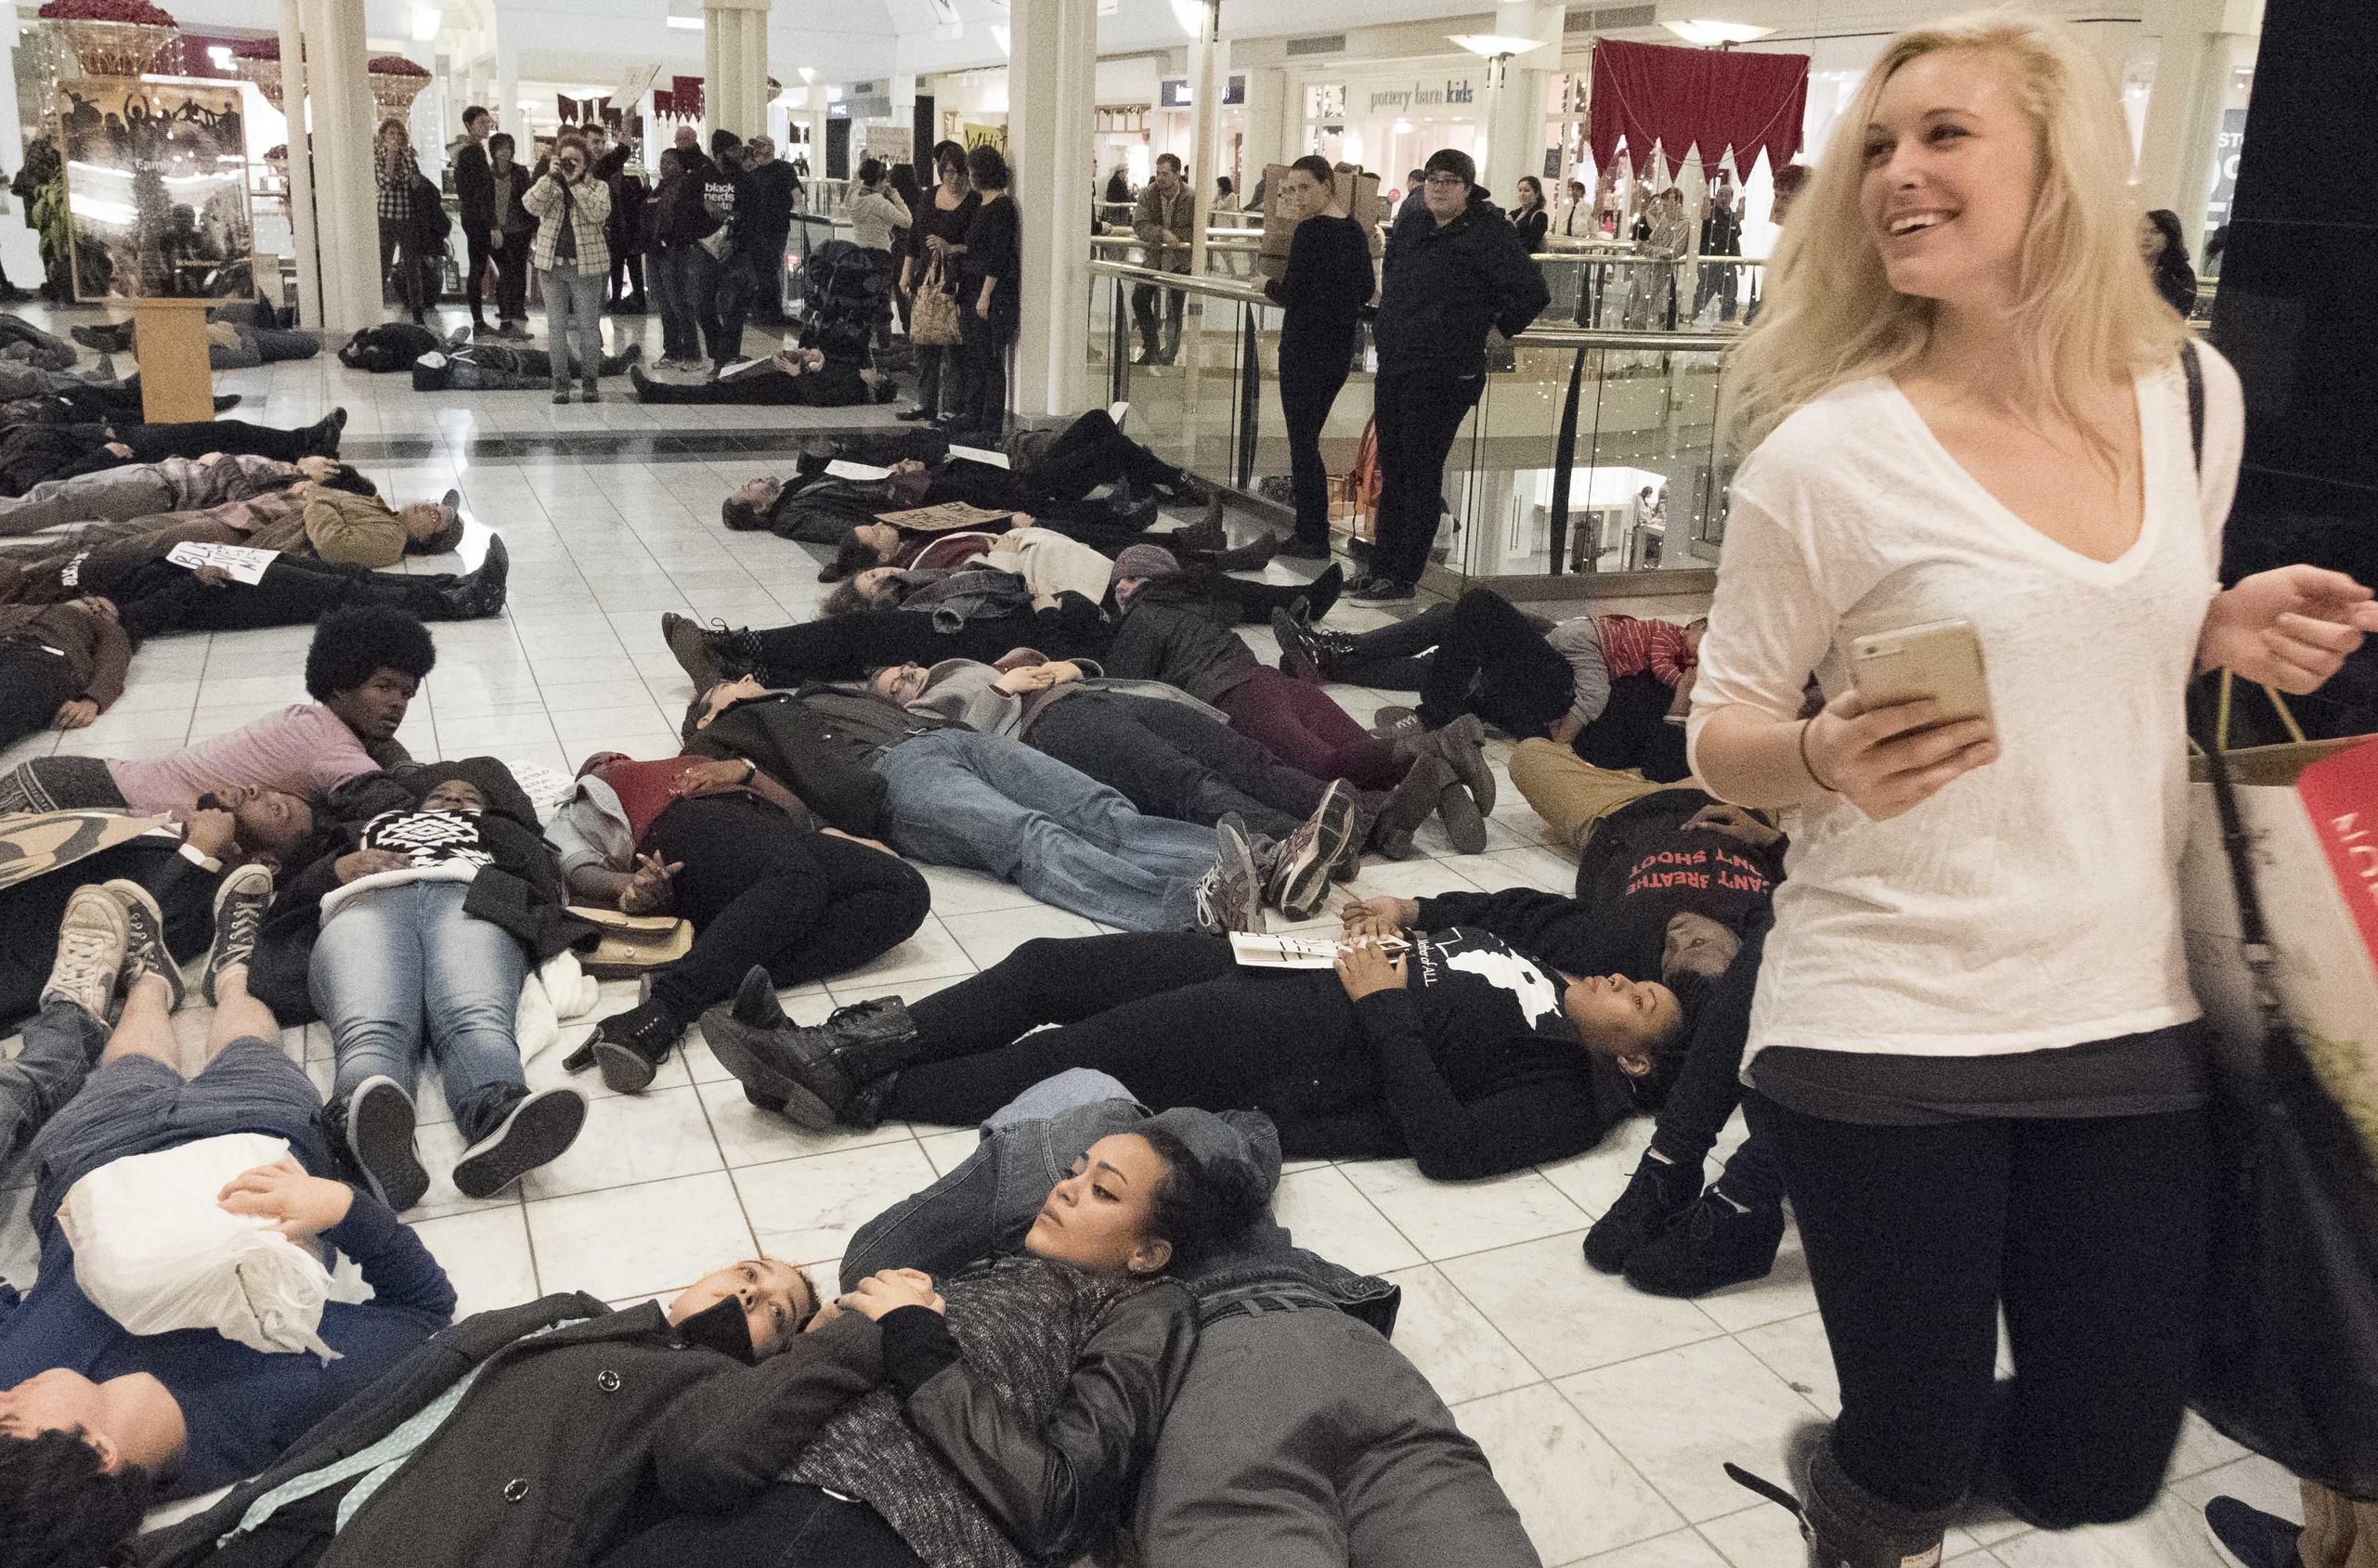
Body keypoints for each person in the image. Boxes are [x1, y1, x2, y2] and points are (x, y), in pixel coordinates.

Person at [1689, 17, 2378, 1563]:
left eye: (1942, 136)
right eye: (1876, 145)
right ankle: (1876, 1509)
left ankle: (1858, 1483)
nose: (1895, 174)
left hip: (2123, 1001)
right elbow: (1716, 727)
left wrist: (2211, 620)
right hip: (1882, 1016)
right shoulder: (1828, 456)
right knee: (1918, 1439)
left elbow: (2098, 622)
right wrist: (1810, 753)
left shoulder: (2189, 398)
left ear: (2055, 162)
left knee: (2100, 1459)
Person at [0, 877, 456, 1549]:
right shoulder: (278, 1406)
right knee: (249, 1046)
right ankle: (235, 975)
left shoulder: (16, 1382)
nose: (4, 1400)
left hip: (96, 1152)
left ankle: (148, 978)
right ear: (98, 1449)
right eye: (11, 1417)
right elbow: (426, 1310)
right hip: (255, 1136)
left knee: (132, 1058)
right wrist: (339, 1208)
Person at [707, 915, 1688, 1180]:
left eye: (1637, 1001)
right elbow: (1475, 919)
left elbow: (1450, 1145)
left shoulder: (1568, 1093)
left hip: (1295, 1038)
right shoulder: (1545, 974)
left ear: (1632, 1061)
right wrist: (1404, 916)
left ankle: (851, 1088)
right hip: (1269, 961)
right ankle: (840, 1052)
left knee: (1068, 1054)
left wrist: (1384, 1003)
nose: (1616, 979)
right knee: (1046, 962)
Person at [684, 673, 1275, 938]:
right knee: (1030, 835)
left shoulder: (810, 691)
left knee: (1097, 807)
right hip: (892, 779)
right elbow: (750, 801)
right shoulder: (728, 734)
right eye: (725, 686)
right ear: (709, 714)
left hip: (951, 738)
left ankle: (1266, 866)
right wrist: (811, 819)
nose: (744, 679)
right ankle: (1185, 913)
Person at [259, 763, 590, 1212]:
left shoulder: (499, 832)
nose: (453, 799)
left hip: (469, 898)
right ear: (416, 804)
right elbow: (293, 888)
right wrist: (337, 866)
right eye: (441, 794)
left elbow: (543, 884)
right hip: (365, 901)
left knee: (474, 1017)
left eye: (468, 796)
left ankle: (498, 1115)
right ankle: (363, 1132)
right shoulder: (364, 828)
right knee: (372, 1026)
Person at [863, 654, 1391, 909]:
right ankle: (1302, 844)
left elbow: (1066, 661)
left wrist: (1070, 667)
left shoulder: (974, 662)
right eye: (895, 686)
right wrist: (1000, 692)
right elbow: (977, 755)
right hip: (1053, 728)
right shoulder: (926, 711)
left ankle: (1365, 826)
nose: (907, 676)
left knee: (1245, 757)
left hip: (1098, 697)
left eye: (902, 670)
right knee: (1192, 784)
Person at [547, 747, 931, 1090]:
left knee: (905, 891)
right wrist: (630, 885)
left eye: (612, 754)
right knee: (799, 882)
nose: (609, 757)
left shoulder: (696, 759)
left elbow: (798, 816)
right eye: (597, 761)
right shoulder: (585, 799)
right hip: (689, 833)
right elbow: (577, 870)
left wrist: (747, 772)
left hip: (776, 838)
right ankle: (664, 1010)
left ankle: (704, 972)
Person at [1095, 588, 1493, 848]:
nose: (1119, 590)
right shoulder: (1195, 615)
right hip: (1277, 682)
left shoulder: (1142, 617)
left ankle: (1439, 744)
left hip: (1236, 697)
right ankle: (1428, 787)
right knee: (1371, 756)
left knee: (1324, 769)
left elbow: (1123, 689)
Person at [0, 605, 433, 828]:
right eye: (383, 687)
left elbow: (392, 761)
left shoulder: (314, 720)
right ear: (340, 683)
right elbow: (396, 809)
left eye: (408, 692)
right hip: (81, 797)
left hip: (74, 780)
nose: (398, 703)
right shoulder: (329, 747)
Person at [1358, 149, 1548, 602]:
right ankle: (1379, 567)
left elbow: (1532, 292)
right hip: (1399, 361)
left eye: (1449, 180)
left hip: (1446, 371)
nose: (1439, 187)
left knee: (1420, 470)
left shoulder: (1490, 233)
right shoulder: (1414, 224)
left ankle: (1403, 577)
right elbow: (1398, 284)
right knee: (1394, 465)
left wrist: (1496, 330)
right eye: (1432, 179)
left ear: (1468, 187)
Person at [1266, 156, 1375, 562]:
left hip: (1304, 346)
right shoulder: (1353, 230)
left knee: (1303, 442)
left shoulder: (1310, 232)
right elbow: (1364, 287)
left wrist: (1266, 285)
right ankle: (1311, 532)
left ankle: (1311, 535)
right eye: (1290, 189)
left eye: (1304, 188)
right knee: (1306, 438)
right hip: (1337, 348)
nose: (1296, 196)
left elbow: (1293, 293)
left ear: (1328, 186)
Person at [0, 408, 345, 498]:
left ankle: (303, 442)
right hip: (127, 458)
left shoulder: (14, 438)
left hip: (123, 441)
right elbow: (43, 486)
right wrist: (105, 452)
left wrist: (97, 431)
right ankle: (303, 445)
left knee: (227, 432)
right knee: (227, 437)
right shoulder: (18, 455)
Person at [523, 131, 612, 405]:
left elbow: (599, 212)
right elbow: (529, 205)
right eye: (565, 160)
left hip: (586, 268)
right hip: (552, 267)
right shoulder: (549, 184)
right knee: (556, 327)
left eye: (576, 160)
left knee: (588, 327)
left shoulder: (598, 187)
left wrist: (575, 183)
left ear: (586, 163)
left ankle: (589, 382)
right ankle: (560, 382)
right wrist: (549, 177)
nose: (570, 165)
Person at [899, 141, 980, 423]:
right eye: (947, 172)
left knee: (953, 343)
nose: (953, 178)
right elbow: (914, 236)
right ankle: (925, 402)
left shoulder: (973, 202)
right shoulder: (929, 196)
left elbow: (975, 245)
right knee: (924, 340)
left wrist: (950, 247)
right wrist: (906, 271)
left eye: (958, 173)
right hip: (925, 277)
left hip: (956, 281)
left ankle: (951, 407)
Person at [0, 594, 125, 755]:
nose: (94, 607)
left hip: (42, 659)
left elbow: (114, 658)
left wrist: (93, 699)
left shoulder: (102, 626)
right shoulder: (21, 608)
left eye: (103, 611)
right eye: (90, 601)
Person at [956, 143, 1020, 441]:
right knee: (975, 356)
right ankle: (974, 415)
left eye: (971, 170)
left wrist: (985, 294)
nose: (968, 176)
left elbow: (999, 254)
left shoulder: (1002, 207)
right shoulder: (982, 203)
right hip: (972, 288)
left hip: (988, 291)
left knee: (989, 359)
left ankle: (990, 422)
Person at [649, 144, 721, 375]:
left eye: (670, 162)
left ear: (681, 165)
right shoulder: (660, 188)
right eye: (662, 162)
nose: (664, 167)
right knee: (665, 304)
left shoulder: (688, 187)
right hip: (657, 251)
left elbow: (689, 217)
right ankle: (672, 351)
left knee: (680, 303)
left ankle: (692, 353)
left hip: (677, 251)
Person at [629, 343, 887, 406]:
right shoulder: (852, 376)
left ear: (875, 387)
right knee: (739, 369)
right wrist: (810, 358)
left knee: (720, 392)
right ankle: (660, 391)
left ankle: (656, 392)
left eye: (879, 377)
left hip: (785, 389)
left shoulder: (853, 390)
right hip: (786, 381)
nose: (873, 371)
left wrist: (798, 373)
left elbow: (817, 396)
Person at [1127, 153, 1195, 366]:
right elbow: (1140, 224)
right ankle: (1152, 348)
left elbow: (1196, 229)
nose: (1160, 177)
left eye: (1165, 173)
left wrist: (1178, 238)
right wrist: (1162, 234)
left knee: (1175, 308)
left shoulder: (1191, 198)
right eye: (1157, 173)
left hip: (1179, 262)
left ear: (1177, 175)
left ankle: (1170, 354)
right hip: (1154, 260)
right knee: (1139, 298)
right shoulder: (1148, 194)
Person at [734, 134, 801, 323]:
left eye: (760, 147)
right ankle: (760, 309)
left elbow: (795, 190)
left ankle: (772, 310)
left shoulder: (783, 169)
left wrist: (799, 206)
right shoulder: (754, 173)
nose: (757, 152)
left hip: (775, 227)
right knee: (758, 269)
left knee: (771, 267)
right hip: (755, 227)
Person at [847, 157, 910, 339]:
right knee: (882, 302)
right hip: (881, 255)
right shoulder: (878, 202)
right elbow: (907, 221)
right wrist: (897, 198)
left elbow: (851, 190)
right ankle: (885, 344)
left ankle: (864, 341)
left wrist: (856, 177)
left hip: (860, 253)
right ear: (880, 179)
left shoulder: (853, 197)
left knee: (865, 300)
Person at [373, 118, 427, 324]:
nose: (395, 138)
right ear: (384, 137)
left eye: (398, 134)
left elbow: (415, 184)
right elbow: (386, 183)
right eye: (390, 134)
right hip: (386, 216)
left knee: (412, 265)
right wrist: (391, 158)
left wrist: (415, 181)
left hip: (407, 216)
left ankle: (417, 311)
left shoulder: (408, 157)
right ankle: (378, 307)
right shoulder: (379, 157)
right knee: (384, 264)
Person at [484, 131, 537, 334]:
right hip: (498, 230)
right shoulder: (488, 173)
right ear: (494, 151)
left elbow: (528, 199)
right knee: (504, 272)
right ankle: (506, 310)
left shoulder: (520, 172)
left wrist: (533, 228)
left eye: (508, 148)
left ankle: (517, 308)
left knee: (519, 269)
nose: (505, 152)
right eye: (500, 148)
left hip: (519, 228)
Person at [452, 105, 499, 336]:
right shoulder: (473, 152)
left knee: (478, 267)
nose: (486, 126)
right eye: (481, 122)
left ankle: (480, 320)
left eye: (487, 121)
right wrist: (492, 224)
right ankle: (479, 321)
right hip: (478, 218)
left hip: (472, 216)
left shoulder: (467, 150)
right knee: (478, 268)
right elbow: (482, 192)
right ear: (469, 125)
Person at [596, 127, 649, 313]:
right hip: (615, 231)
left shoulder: (632, 180)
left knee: (635, 268)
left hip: (631, 230)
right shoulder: (602, 181)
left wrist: (647, 189)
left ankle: (640, 300)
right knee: (616, 267)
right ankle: (616, 299)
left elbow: (641, 202)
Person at [1693, 186, 1744, 322]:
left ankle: (1726, 323)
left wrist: (1740, 260)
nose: (1724, 198)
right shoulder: (1708, 215)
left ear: (1732, 198)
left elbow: (1734, 240)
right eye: (1721, 194)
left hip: (1728, 263)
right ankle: (1691, 320)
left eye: (1727, 195)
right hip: (1710, 261)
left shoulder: (1734, 217)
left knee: (1729, 296)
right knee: (1703, 294)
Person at [2141, 206, 2197, 317]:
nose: (2146, 237)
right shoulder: (2128, 266)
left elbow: (2180, 313)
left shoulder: (2181, 274)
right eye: (2143, 231)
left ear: (2170, 237)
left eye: (2155, 232)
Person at [1510, 175, 1550, 253]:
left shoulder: (1540, 216)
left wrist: (1511, 228)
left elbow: (1531, 244)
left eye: (1526, 191)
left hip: (1525, 260)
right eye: (1520, 190)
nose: (1522, 194)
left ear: (1536, 194)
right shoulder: (1514, 213)